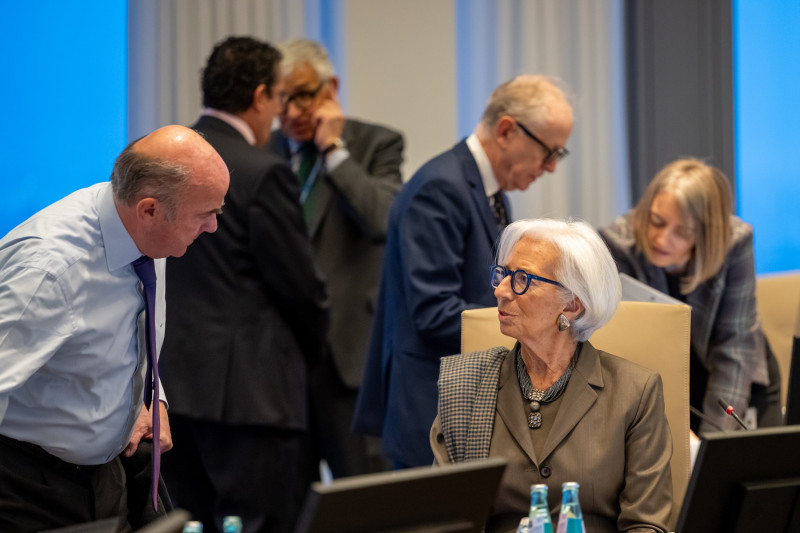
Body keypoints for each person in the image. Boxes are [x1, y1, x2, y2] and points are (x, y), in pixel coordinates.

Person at [0, 125, 230, 532]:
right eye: (205, 215)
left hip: (107, 473)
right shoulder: (51, 271)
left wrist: (150, 399)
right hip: (28, 485)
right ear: (149, 210)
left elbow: (119, 336)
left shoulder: (144, 233)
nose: (213, 226)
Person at [354, 75, 574, 468]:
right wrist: (533, 324)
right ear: (506, 130)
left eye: (560, 154)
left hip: (463, 399)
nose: (552, 167)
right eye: (549, 151)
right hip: (430, 408)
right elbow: (434, 313)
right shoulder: (440, 188)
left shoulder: (487, 189)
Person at [158, 36, 328, 533]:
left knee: (187, 523)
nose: (280, 112)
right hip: (252, 397)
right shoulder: (263, 171)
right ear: (259, 96)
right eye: (279, 97)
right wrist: (310, 360)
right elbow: (301, 290)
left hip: (173, 387)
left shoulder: (161, 161)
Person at [431, 218, 673, 533]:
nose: (500, 291)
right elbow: (443, 519)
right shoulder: (466, 386)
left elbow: (646, 525)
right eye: (504, 274)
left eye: (522, 279)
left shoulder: (635, 392)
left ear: (572, 305)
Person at [266, 38, 404, 477]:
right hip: (280, 359)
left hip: (349, 356)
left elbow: (383, 219)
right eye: (280, 98)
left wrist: (333, 151)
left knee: (364, 494)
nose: (290, 112)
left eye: (302, 96)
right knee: (289, 499)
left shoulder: (375, 143)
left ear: (331, 88)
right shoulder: (260, 152)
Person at [600, 158, 782, 434]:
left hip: (738, 374)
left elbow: (734, 349)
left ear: (706, 234)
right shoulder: (618, 245)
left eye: (682, 232)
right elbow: (629, 352)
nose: (661, 239)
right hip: (669, 380)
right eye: (656, 221)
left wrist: (715, 441)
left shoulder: (734, 244)